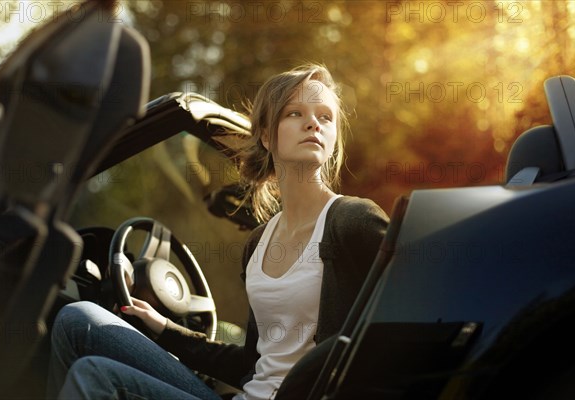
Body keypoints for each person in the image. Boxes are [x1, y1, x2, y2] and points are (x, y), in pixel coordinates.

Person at [47, 64, 389, 400]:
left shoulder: (354, 220)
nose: (313, 122)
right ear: (267, 136)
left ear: (332, 139)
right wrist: (163, 326)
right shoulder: (258, 243)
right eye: (295, 113)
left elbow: (411, 335)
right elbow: (251, 362)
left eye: (325, 117)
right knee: (77, 319)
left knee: (94, 374)